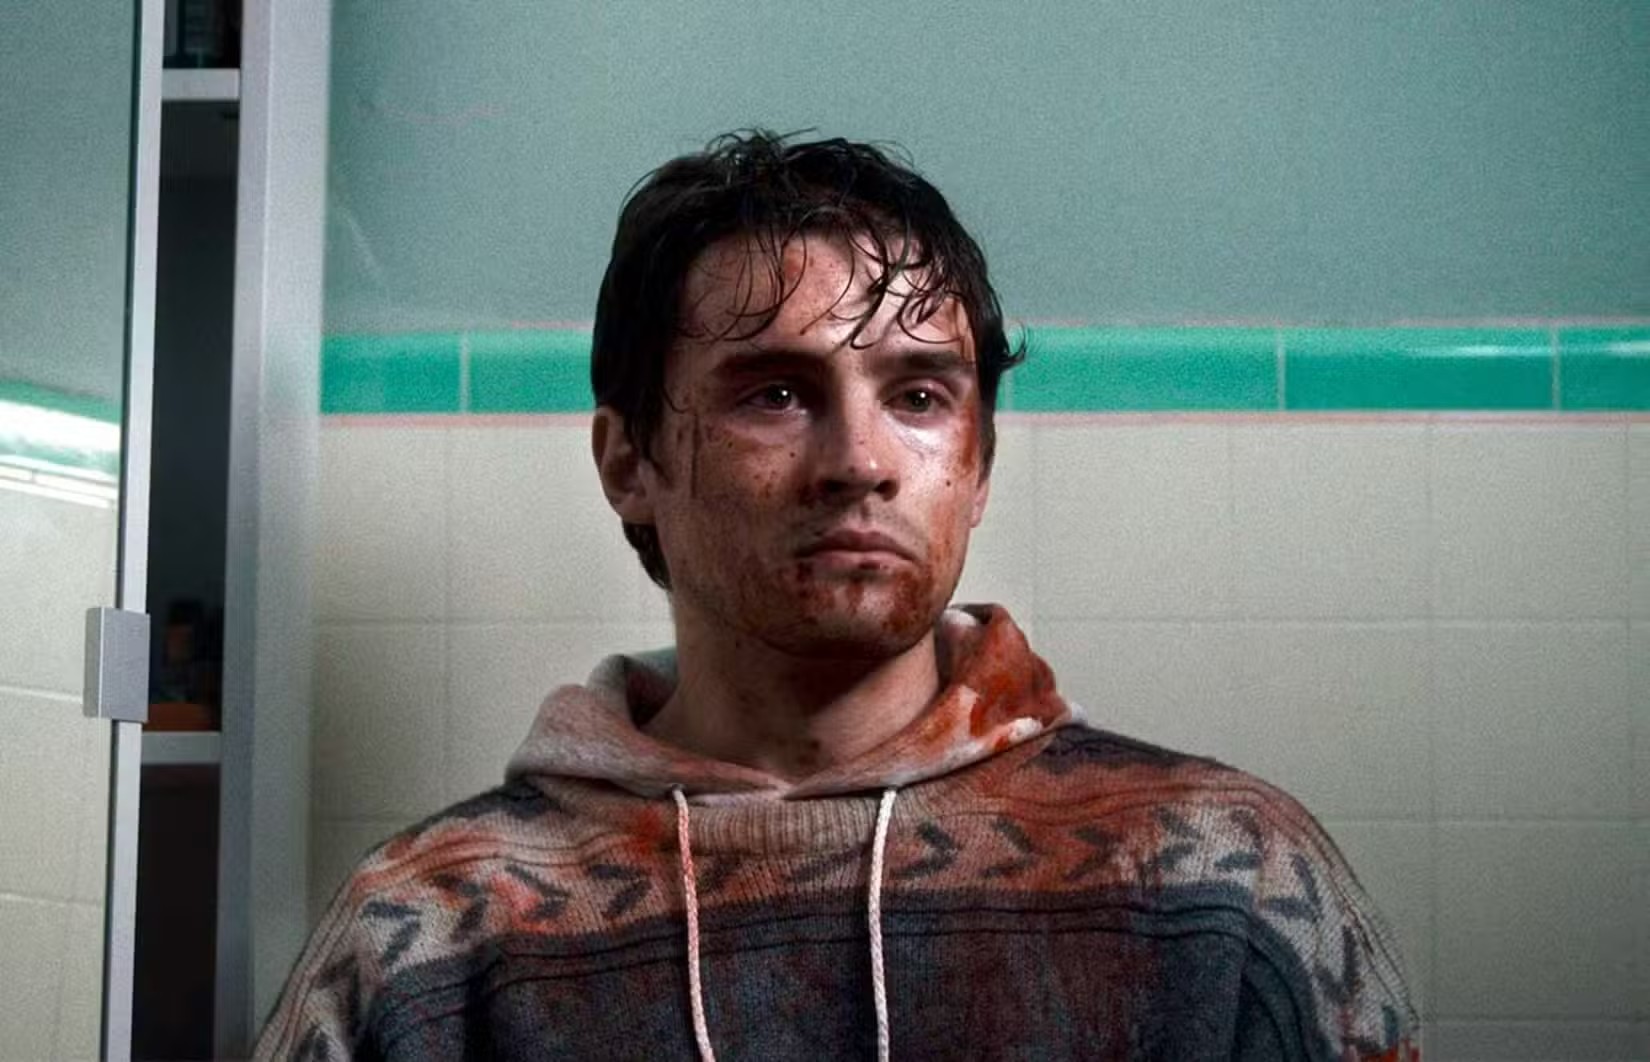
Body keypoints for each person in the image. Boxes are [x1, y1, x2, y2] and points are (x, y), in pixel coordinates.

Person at [255, 130, 1419, 1060]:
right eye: (774, 393)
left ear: (979, 467)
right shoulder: (432, 934)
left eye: (919, 397)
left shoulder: (1227, 881)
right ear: (629, 464)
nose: (860, 461)